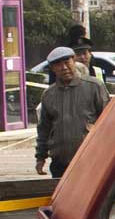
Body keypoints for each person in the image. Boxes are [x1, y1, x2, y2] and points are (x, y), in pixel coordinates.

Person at [34, 46, 109, 179]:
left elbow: (109, 121)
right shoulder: (49, 94)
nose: (64, 67)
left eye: (67, 62)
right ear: (52, 68)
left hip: (90, 161)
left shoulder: (94, 87)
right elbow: (44, 129)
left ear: (74, 61)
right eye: (58, 64)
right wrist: (40, 157)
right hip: (60, 163)